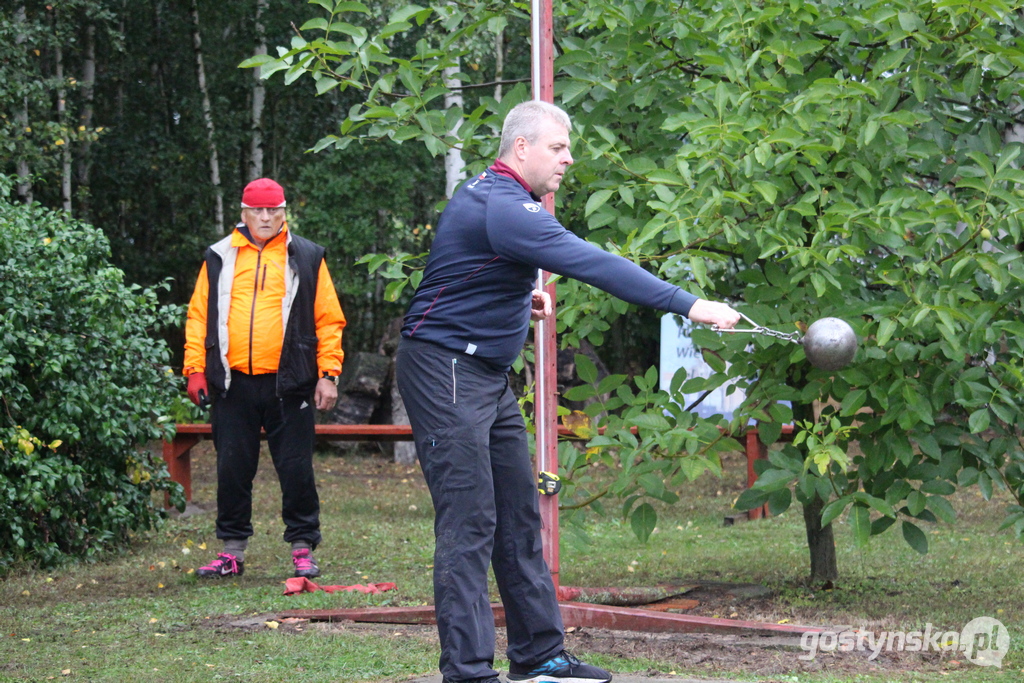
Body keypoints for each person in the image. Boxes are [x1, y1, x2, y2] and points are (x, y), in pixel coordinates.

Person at [395, 100, 741, 683]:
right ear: (522, 148)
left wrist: (515, 299)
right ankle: (468, 672)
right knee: (470, 521)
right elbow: (592, 262)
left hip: (485, 374)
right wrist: (690, 304)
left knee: (518, 516)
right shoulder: (504, 207)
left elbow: (465, 271)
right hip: (445, 372)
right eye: (558, 148)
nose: (568, 159)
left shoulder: (495, 197)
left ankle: (537, 657)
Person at [183, 178, 346, 580]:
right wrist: (195, 370)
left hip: (290, 382)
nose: (266, 217)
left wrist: (328, 374)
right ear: (243, 213)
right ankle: (232, 552)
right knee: (233, 467)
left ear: (284, 212)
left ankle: (303, 547)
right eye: (257, 210)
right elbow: (198, 317)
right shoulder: (219, 256)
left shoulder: (306, 256)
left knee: (296, 468)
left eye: (274, 209)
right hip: (232, 382)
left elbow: (329, 320)